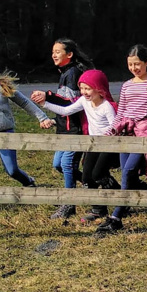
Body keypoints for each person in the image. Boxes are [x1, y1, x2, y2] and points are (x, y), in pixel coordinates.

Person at [96, 45, 147, 233]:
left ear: (146, 62)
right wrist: (111, 131)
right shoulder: (127, 85)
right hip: (126, 134)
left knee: (129, 171)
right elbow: (121, 113)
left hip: (146, 135)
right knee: (128, 175)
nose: (134, 68)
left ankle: (116, 216)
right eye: (130, 64)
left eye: (137, 64)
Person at [38, 69, 119, 222]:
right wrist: (45, 104)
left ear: (98, 88)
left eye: (87, 88)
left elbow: (115, 127)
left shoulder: (106, 106)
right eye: (81, 88)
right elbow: (66, 110)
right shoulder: (84, 101)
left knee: (98, 175)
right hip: (92, 145)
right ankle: (98, 210)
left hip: (108, 146)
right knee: (87, 177)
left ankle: (121, 202)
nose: (84, 92)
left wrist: (107, 138)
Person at [30, 38, 93, 220]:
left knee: (66, 164)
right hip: (62, 129)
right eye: (52, 52)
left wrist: (47, 96)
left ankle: (69, 204)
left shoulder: (72, 73)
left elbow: (72, 103)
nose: (54, 55)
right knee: (58, 164)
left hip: (74, 130)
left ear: (70, 54)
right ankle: (93, 183)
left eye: (58, 51)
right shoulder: (64, 72)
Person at [0, 57, 53, 187]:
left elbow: (24, 102)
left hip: (4, 133)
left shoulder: (3, 88)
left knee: (12, 171)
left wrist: (42, 118)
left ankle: (28, 182)